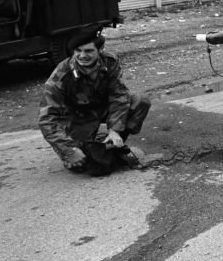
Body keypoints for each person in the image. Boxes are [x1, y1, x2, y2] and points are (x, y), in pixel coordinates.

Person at [39, 28, 151, 176]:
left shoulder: (110, 61)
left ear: (100, 50)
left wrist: (115, 130)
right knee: (80, 166)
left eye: (88, 51)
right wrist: (69, 150)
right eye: (78, 50)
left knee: (140, 101)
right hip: (78, 117)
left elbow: (119, 95)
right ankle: (86, 147)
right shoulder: (61, 75)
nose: (82, 55)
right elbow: (47, 119)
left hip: (102, 108)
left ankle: (112, 145)